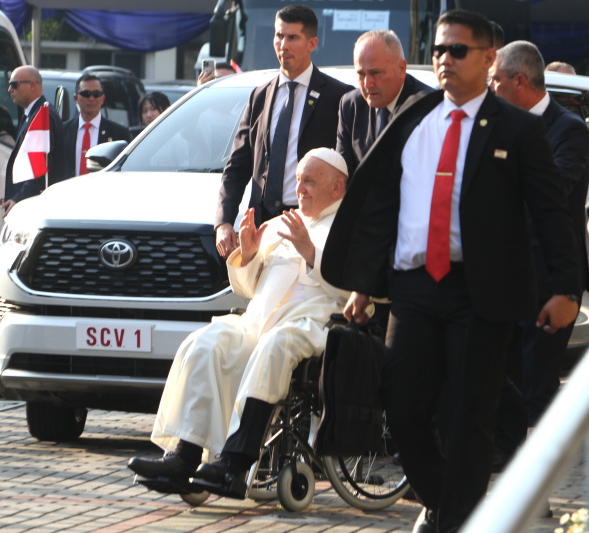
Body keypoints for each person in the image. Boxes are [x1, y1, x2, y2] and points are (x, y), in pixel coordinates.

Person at [321, 10, 581, 533]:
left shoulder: (520, 129)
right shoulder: (413, 118)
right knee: (402, 406)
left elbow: (553, 212)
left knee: (467, 417)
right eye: (439, 50)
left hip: (478, 291)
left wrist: (565, 287)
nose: (445, 60)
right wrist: (364, 285)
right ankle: (450, 502)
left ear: (488, 59)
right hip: (414, 287)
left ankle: (456, 520)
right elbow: (379, 205)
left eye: (458, 50)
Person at [127, 148, 351, 497]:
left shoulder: (349, 228)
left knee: (273, 347)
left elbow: (352, 288)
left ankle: (235, 464)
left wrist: (311, 252)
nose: (300, 188)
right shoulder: (280, 223)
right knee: (206, 342)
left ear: (337, 187)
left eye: (310, 181)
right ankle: (184, 456)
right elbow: (247, 287)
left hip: (308, 325)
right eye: (298, 180)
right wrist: (247, 255)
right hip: (256, 321)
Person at [488, 41, 589, 460]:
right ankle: (504, 460)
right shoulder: (495, 124)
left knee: (538, 383)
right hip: (501, 275)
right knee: (501, 377)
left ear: (519, 81)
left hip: (548, 278)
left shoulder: (568, 129)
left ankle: (538, 477)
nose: (489, 89)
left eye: (494, 80)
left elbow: (556, 194)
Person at [214, 4, 352, 259]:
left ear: (312, 43)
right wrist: (223, 221)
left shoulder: (339, 97)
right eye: (279, 36)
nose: (283, 45)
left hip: (311, 226)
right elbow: (237, 166)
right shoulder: (260, 96)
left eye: (293, 37)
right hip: (261, 227)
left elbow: (346, 168)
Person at [336, 30, 431, 179]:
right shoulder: (350, 105)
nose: (367, 84)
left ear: (401, 69)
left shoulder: (427, 107)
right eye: (361, 74)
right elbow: (343, 176)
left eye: (376, 73)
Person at [1, 66, 65, 217]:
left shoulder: (43, 116)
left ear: (32, 86)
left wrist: (19, 198)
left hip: (36, 206)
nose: (10, 89)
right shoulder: (32, 114)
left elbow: (39, 169)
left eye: (14, 84)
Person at [62, 74, 130, 179]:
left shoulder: (119, 133)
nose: (91, 98)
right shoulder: (62, 131)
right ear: (75, 98)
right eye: (86, 93)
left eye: (96, 94)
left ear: (102, 98)